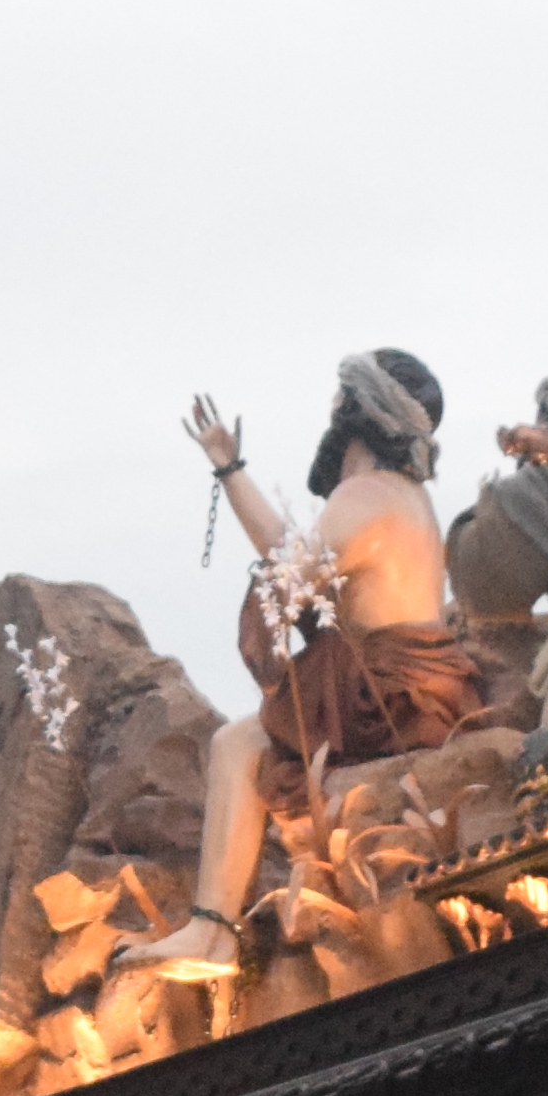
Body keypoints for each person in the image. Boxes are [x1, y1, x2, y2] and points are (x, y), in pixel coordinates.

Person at [132, 357, 478, 983]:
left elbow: (290, 578)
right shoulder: (405, 497)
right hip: (429, 685)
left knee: (235, 742)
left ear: (353, 416)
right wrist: (231, 469)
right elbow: (297, 553)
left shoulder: (363, 496)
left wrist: (270, 605)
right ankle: (212, 929)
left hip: (386, 696)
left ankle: (212, 929)